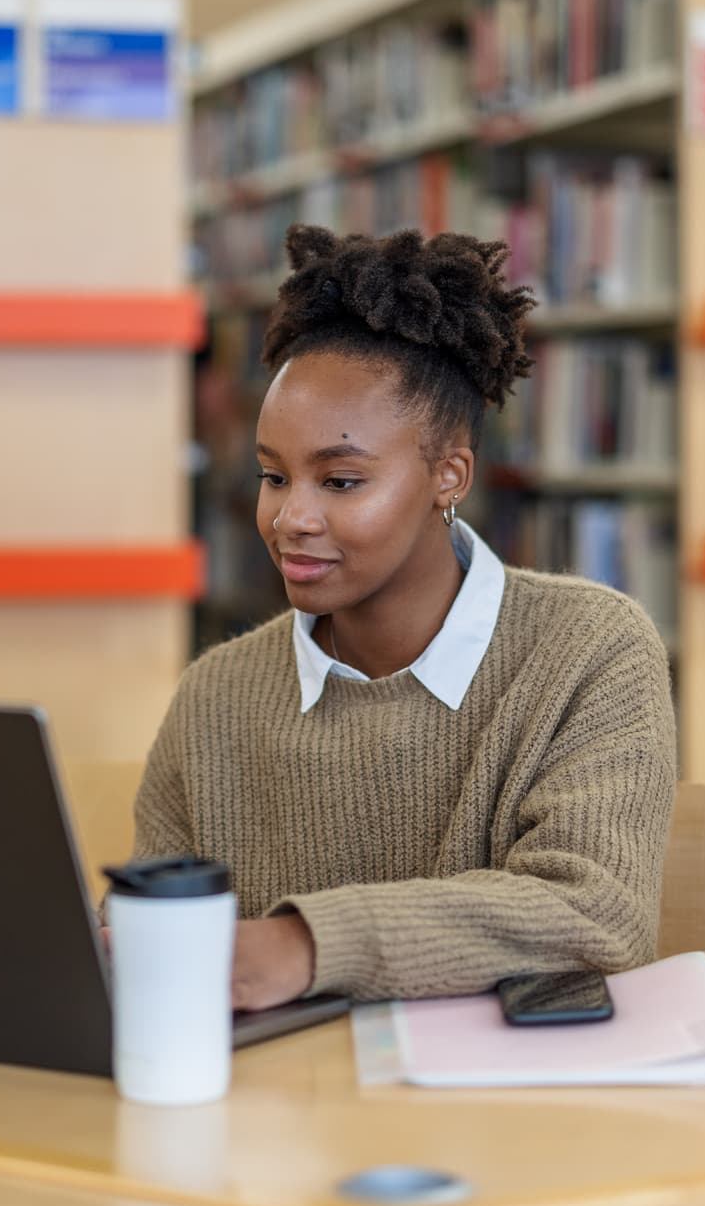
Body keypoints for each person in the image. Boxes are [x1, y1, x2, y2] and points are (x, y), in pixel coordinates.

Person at [130, 223, 677, 1010]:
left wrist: (306, 944)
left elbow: (594, 911)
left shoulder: (590, 651)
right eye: (273, 476)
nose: (291, 518)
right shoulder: (217, 694)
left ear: (448, 475)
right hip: (276, 1117)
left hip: (504, 1123)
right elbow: (160, 927)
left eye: (342, 481)